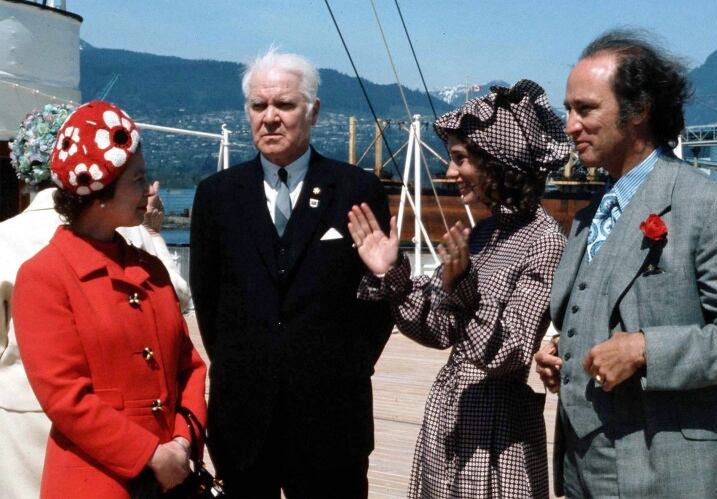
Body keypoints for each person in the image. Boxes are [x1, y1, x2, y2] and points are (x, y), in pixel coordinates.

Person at [534, 30, 717, 498]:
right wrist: (559, 353)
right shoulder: (587, 220)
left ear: (639, 111)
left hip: (678, 474)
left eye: (585, 109)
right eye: (568, 109)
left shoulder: (708, 206)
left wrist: (645, 349)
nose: (570, 125)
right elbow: (591, 310)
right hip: (586, 470)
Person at [348, 80, 569, 498]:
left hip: (498, 433)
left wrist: (463, 286)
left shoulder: (545, 241)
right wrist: (393, 273)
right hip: (450, 418)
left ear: (497, 161)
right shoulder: (483, 233)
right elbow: (437, 330)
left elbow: (511, 353)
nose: (450, 172)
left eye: (460, 159)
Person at [189, 49, 393, 498]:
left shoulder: (356, 190)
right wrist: (243, 370)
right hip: (244, 419)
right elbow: (208, 302)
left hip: (332, 418)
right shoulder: (217, 197)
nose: (270, 118)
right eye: (259, 106)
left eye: (284, 105)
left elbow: (377, 301)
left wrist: (347, 368)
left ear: (313, 111)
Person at [12, 100, 207, 498]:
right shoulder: (44, 278)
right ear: (100, 192)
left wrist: (182, 444)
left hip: (172, 480)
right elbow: (66, 398)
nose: (149, 190)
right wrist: (151, 454)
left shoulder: (150, 270)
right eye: (137, 179)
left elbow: (189, 367)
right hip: (94, 483)